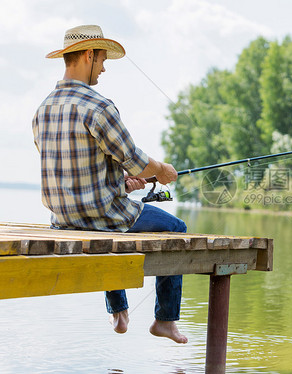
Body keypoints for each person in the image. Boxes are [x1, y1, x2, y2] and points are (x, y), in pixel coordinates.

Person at [32, 25, 187, 344]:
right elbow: (136, 160)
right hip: (103, 216)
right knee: (176, 229)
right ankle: (165, 320)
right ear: (88, 55)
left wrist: (122, 183)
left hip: (61, 220)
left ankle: (118, 309)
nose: (103, 68)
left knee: (107, 227)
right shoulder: (98, 106)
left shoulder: (42, 110)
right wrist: (162, 170)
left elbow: (74, 169)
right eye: (102, 60)